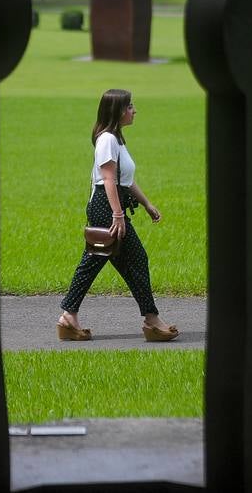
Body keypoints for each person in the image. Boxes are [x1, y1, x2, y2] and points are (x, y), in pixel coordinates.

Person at [57, 88, 179, 342]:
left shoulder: (116, 139)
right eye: (130, 106)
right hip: (106, 207)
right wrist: (118, 215)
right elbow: (108, 179)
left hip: (111, 206)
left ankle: (69, 317)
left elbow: (125, 179)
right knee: (132, 259)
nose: (134, 110)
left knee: (98, 262)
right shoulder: (107, 140)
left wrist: (146, 204)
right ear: (119, 111)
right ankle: (151, 319)